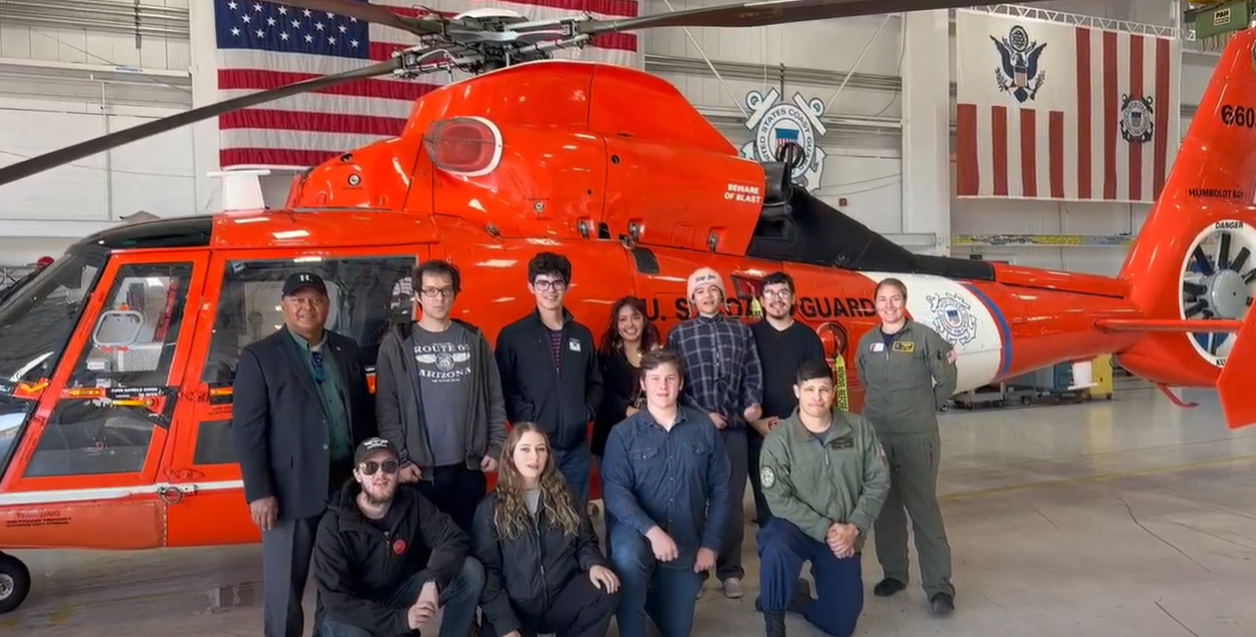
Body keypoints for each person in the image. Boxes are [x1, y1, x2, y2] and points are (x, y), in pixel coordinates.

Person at [231, 271, 376, 637]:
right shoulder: (261, 356)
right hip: (289, 492)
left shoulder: (345, 349)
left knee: (339, 583)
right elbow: (248, 432)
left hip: (344, 488)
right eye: (298, 299)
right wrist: (259, 492)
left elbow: (362, 414)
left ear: (327, 305)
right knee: (285, 590)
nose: (306, 307)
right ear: (284, 304)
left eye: (315, 299)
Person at [600, 348, 732, 637]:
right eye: (655, 378)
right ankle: (633, 618)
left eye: (670, 378)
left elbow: (722, 489)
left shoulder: (703, 429)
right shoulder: (623, 433)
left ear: (681, 383)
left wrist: (710, 544)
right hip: (636, 535)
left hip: (685, 538)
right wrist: (652, 531)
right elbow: (615, 492)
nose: (663, 386)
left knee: (677, 630)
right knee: (626, 557)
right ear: (643, 384)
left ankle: (657, 598)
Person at [755, 359, 891, 637]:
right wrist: (825, 528)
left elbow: (878, 479)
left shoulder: (859, 429)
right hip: (797, 530)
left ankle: (799, 601)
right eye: (809, 389)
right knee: (775, 547)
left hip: (843, 533)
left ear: (833, 391)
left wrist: (854, 527)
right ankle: (773, 619)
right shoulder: (779, 439)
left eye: (823, 389)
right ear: (796, 391)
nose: (817, 397)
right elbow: (778, 498)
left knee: (840, 626)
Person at [375, 259, 509, 533]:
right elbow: (387, 407)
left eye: (446, 290)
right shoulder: (397, 343)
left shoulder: (473, 339)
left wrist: (497, 446)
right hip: (418, 473)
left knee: (472, 545)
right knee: (425, 552)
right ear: (418, 295)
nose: (439, 298)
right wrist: (399, 460)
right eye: (431, 291)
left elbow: (494, 396)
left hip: (469, 469)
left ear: (455, 293)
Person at [854, 276, 960, 616]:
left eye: (895, 299)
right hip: (879, 435)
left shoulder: (924, 337)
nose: (889, 305)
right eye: (882, 300)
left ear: (904, 301)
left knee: (923, 510)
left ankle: (939, 586)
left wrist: (923, 406)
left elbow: (947, 377)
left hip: (916, 436)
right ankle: (895, 573)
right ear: (875, 305)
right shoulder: (866, 343)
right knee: (885, 508)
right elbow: (864, 379)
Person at [311, 437, 485, 637]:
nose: (380, 474)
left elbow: (453, 538)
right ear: (357, 474)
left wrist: (433, 581)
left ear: (398, 472)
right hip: (348, 616)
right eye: (370, 467)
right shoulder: (332, 524)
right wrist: (402, 620)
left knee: (470, 571)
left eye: (389, 466)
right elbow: (337, 602)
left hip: (396, 596)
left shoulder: (413, 502)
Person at [666, 266, 762, 599]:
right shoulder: (679, 334)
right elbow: (675, 384)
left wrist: (751, 405)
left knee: (730, 503)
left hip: (734, 431)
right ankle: (697, 571)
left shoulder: (741, 332)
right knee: (694, 502)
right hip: (694, 430)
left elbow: (752, 374)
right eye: (700, 292)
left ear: (722, 296)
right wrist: (703, 415)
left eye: (713, 290)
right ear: (691, 299)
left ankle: (730, 570)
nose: (707, 296)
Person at [472, 422, 620, 637]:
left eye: (541, 449)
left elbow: (585, 542)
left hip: (561, 598)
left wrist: (594, 563)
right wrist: (506, 625)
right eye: (525, 449)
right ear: (510, 454)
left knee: (607, 588)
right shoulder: (490, 508)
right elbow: (488, 573)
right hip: (516, 610)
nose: (534, 457)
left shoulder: (565, 495)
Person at [496, 252, 604, 508]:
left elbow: (596, 383)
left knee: (575, 517)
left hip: (576, 449)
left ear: (566, 286)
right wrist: (527, 416)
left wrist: (585, 413)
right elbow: (502, 387)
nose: (550, 290)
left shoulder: (582, 335)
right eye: (543, 283)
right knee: (535, 515)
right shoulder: (513, 336)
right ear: (531, 286)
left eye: (557, 283)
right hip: (533, 449)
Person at [748, 272, 824, 527]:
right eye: (770, 293)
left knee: (803, 502)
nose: (776, 299)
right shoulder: (748, 336)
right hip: (758, 435)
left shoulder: (808, 338)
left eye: (783, 293)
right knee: (767, 504)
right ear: (761, 300)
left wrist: (794, 425)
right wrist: (757, 423)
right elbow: (737, 383)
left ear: (793, 299)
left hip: (800, 434)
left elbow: (817, 387)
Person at [592, 296, 661, 471]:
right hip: (611, 439)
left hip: (649, 439)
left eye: (635, 317)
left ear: (644, 320)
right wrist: (628, 410)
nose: (630, 324)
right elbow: (600, 393)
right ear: (616, 325)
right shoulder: (606, 355)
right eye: (623, 319)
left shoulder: (657, 354)